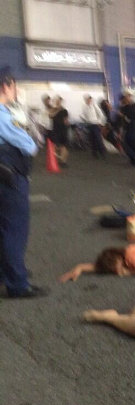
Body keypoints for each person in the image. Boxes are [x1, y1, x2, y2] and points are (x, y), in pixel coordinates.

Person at [0, 66, 48, 298]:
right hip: (9, 178)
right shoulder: (3, 115)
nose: (16, 90)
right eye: (14, 86)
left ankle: (6, 273)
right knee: (14, 229)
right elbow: (30, 145)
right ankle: (17, 284)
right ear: (6, 85)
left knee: (3, 228)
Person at [80, 94, 106, 159]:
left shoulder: (94, 105)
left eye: (90, 99)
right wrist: (84, 119)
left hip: (95, 124)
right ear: (85, 99)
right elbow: (83, 115)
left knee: (98, 139)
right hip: (89, 125)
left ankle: (102, 152)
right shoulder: (84, 107)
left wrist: (99, 122)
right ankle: (95, 153)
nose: (89, 100)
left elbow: (101, 114)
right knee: (92, 140)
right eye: (88, 99)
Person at [119, 90, 135, 167]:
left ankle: (134, 160)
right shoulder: (123, 107)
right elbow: (123, 119)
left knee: (132, 143)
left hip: (132, 127)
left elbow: (130, 117)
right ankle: (133, 157)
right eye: (126, 96)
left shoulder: (133, 105)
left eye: (129, 96)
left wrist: (123, 116)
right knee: (125, 144)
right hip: (126, 128)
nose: (128, 98)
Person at [50, 95, 70, 167]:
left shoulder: (65, 110)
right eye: (57, 101)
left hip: (63, 130)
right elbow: (51, 116)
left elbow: (66, 120)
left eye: (60, 101)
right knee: (56, 146)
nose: (59, 102)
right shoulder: (53, 109)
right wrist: (58, 110)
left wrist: (67, 123)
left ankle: (63, 161)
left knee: (64, 146)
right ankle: (58, 159)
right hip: (56, 130)